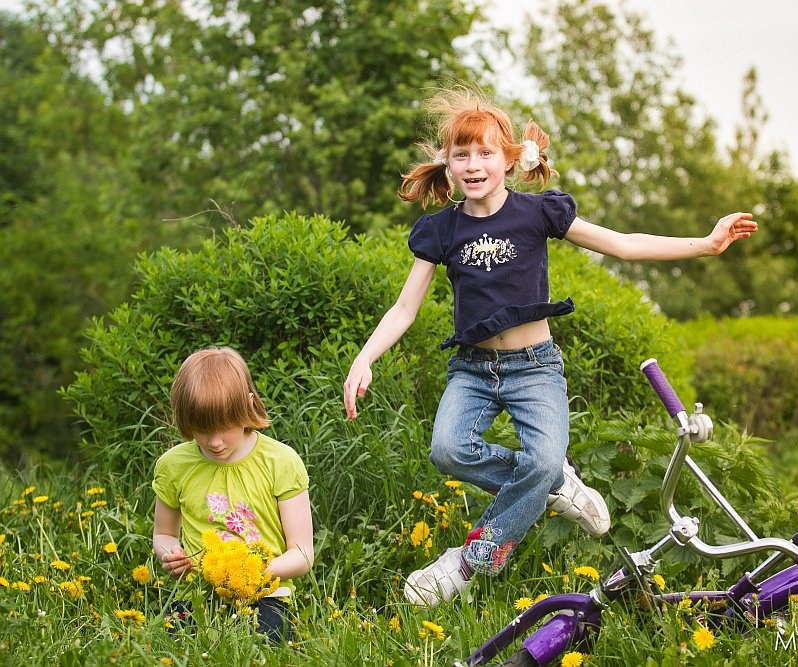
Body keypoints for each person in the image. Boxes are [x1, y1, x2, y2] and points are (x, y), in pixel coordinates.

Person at [342, 88, 758, 607]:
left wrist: (705, 243)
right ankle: (554, 483)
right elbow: (405, 308)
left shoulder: (538, 213)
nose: (474, 166)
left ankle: (467, 564)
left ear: (509, 160)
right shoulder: (441, 230)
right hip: (471, 368)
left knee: (537, 462)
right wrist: (364, 358)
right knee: (449, 450)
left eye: (486, 153)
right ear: (447, 165)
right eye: (462, 155)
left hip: (534, 368)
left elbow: (623, 243)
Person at [152, 346, 314, 642]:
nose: (214, 442)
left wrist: (252, 572)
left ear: (248, 405)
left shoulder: (281, 462)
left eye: (224, 427)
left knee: (262, 645)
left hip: (266, 595)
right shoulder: (174, 466)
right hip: (196, 594)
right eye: (202, 429)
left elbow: (303, 554)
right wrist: (171, 554)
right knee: (171, 648)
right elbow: (163, 534)